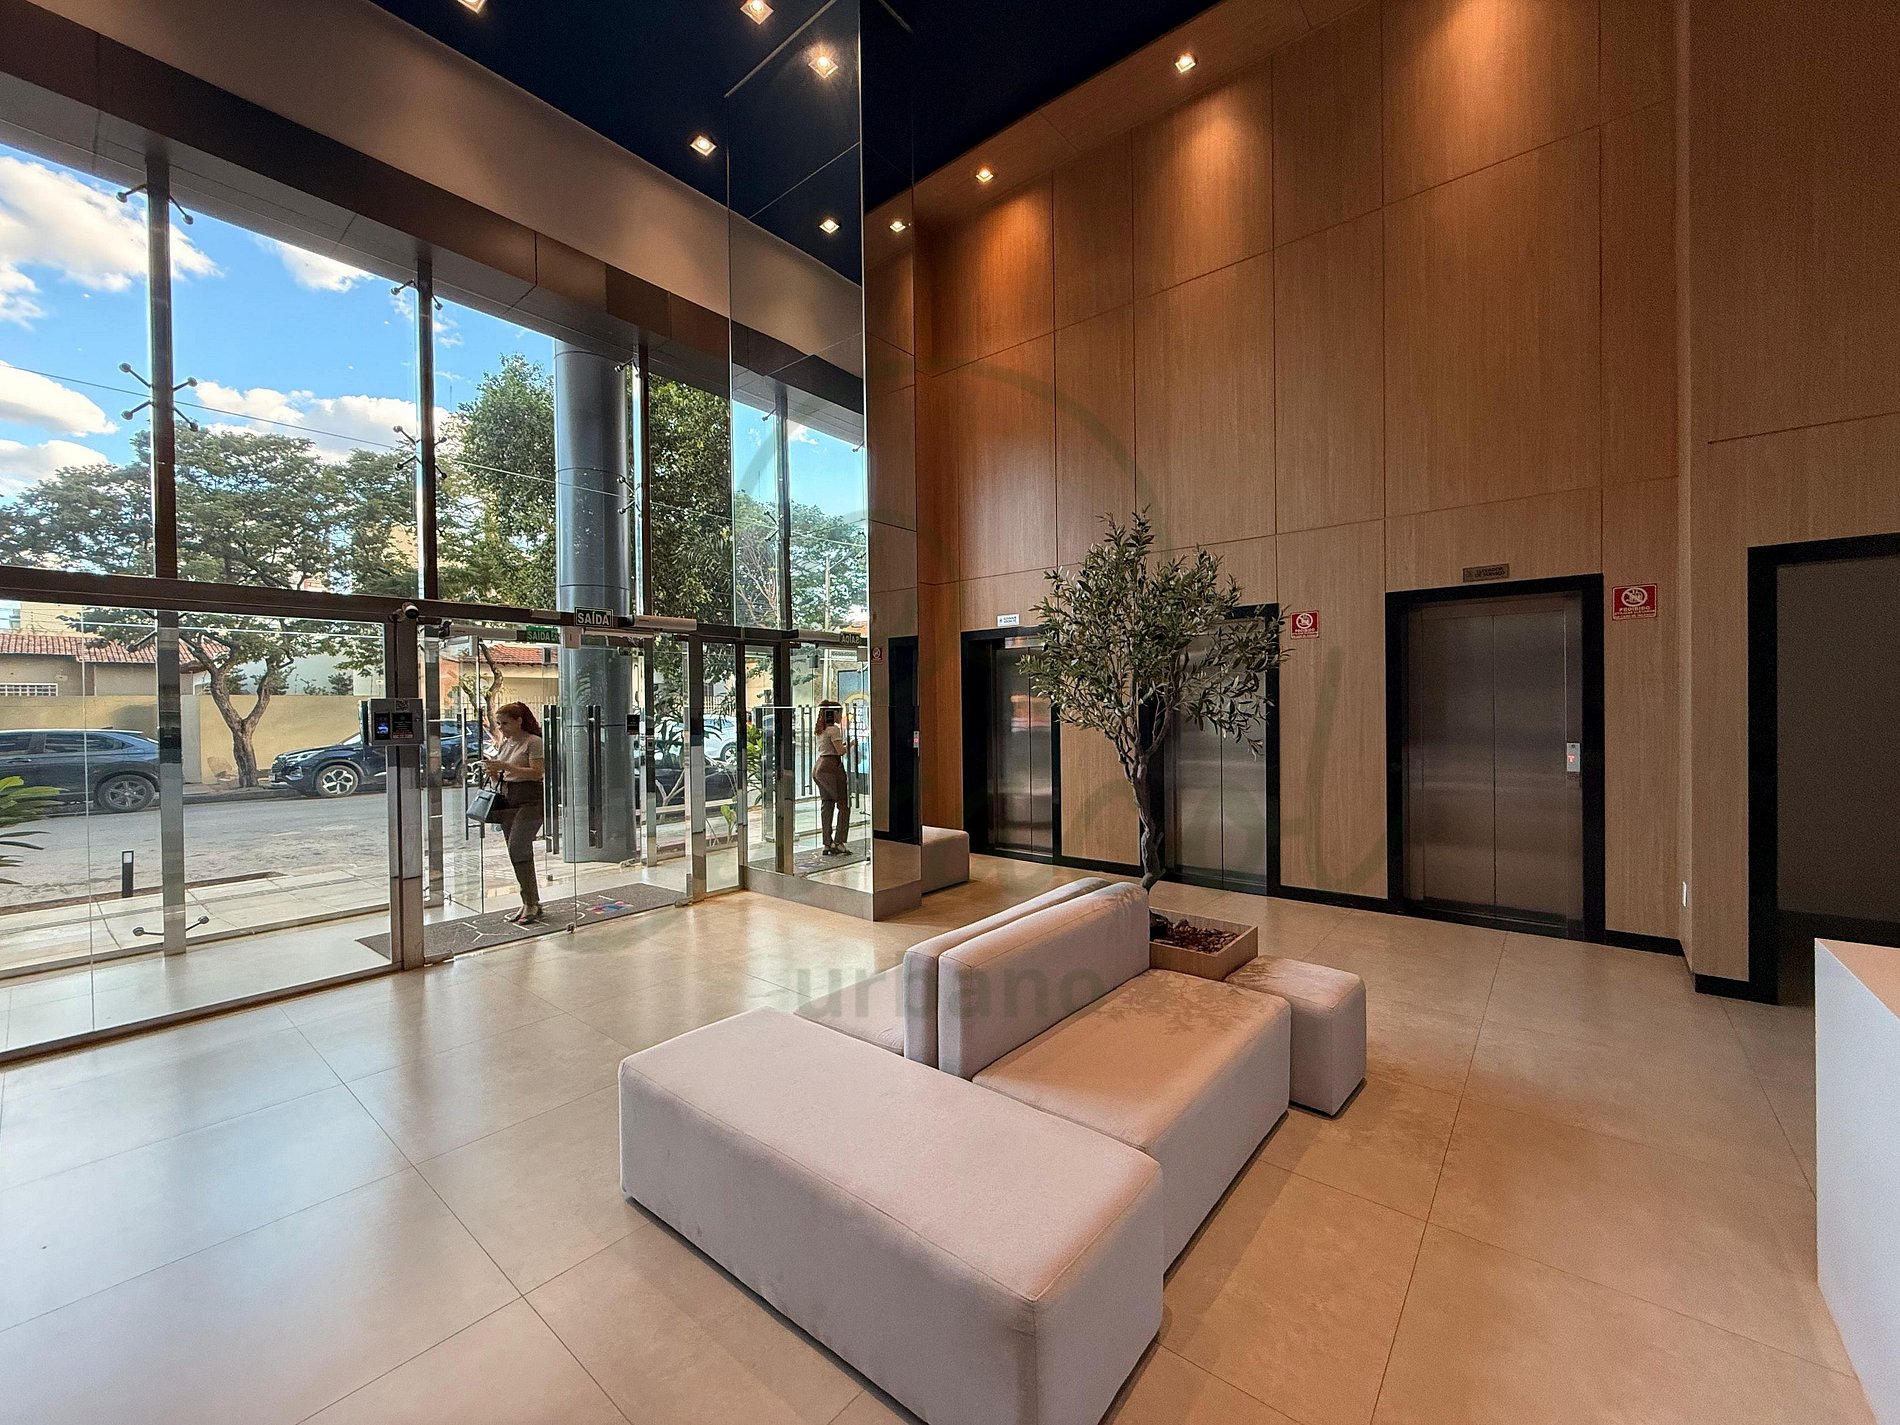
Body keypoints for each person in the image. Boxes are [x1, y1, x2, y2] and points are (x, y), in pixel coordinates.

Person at [483, 702, 546, 924]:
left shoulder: (533, 742)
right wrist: (493, 771)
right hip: (508, 797)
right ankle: (529, 901)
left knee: (518, 848)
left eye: (505, 723)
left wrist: (506, 767)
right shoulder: (506, 744)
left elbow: (537, 772)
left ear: (519, 721)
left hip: (529, 799)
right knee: (516, 852)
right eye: (499, 723)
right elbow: (502, 777)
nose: (501, 728)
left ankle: (531, 902)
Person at [812, 700, 850, 856]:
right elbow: (840, 751)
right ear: (834, 713)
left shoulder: (820, 729)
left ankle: (827, 843)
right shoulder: (834, 729)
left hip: (819, 767)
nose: (841, 716)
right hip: (832, 767)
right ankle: (839, 842)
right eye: (840, 713)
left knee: (827, 804)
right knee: (844, 805)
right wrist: (851, 744)